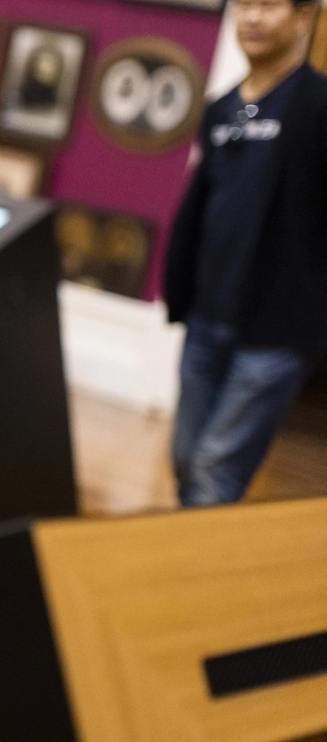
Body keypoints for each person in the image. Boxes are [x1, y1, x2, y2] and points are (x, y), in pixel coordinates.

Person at [165, 0, 327, 507]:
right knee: (187, 459)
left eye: (270, 5)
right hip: (207, 318)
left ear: (304, 17)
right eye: (245, 5)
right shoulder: (222, 108)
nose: (254, 18)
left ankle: (186, 581)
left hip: (276, 333)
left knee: (216, 470)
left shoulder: (318, 106)